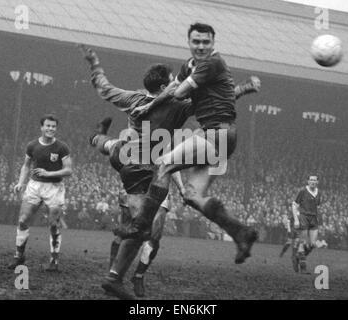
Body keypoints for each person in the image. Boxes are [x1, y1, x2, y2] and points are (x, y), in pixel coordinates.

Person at [80, 43, 260, 299]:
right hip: (144, 169)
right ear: (165, 87)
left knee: (110, 146)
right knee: (144, 231)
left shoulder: (133, 98)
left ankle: (97, 137)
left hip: (126, 159)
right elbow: (214, 100)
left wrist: (94, 62)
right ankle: (116, 278)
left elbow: (102, 86)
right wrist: (244, 88)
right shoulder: (178, 105)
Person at [120, 23, 259, 266]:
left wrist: (172, 92)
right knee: (192, 195)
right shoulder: (190, 65)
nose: (201, 46)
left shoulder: (212, 63)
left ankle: (140, 226)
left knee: (163, 164)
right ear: (189, 42)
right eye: (196, 42)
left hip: (218, 134)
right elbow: (174, 91)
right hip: (220, 137)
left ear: (213, 43)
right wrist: (149, 105)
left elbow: (179, 92)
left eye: (206, 42)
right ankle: (241, 232)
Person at [8, 114, 72, 271]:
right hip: (35, 186)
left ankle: (54, 261)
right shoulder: (32, 145)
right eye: (48, 126)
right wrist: (20, 182)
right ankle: (19, 256)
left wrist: (48, 174)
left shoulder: (61, 147)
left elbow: (68, 170)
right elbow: (26, 165)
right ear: (42, 127)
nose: (51, 129)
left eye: (53, 126)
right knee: (23, 220)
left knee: (53, 224)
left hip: (54, 187)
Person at [292, 175, 322, 274]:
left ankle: (297, 257)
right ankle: (303, 268)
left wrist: (319, 218)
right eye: (311, 180)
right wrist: (296, 219)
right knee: (303, 242)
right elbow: (294, 205)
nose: (312, 181)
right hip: (304, 217)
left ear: (317, 182)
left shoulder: (319, 193)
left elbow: (317, 206)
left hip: (313, 219)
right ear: (308, 181)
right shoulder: (302, 191)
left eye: (314, 180)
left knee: (312, 244)